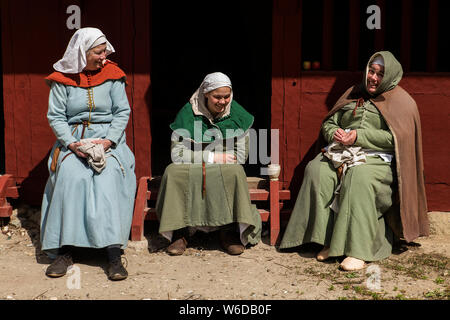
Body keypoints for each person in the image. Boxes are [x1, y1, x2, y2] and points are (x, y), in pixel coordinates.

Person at [280, 51, 429, 271]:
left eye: (380, 74)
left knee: (358, 177)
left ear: (390, 77)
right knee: (316, 170)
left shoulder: (402, 102)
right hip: (342, 152)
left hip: (377, 160)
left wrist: (359, 136)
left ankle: (357, 250)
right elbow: (329, 123)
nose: (374, 78)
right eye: (371, 71)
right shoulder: (352, 93)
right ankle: (327, 240)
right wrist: (336, 134)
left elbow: (398, 138)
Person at [40, 27, 136, 281]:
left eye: (105, 51)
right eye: (98, 52)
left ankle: (113, 252)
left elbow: (122, 112)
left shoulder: (113, 76)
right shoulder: (63, 79)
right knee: (72, 176)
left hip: (109, 140)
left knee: (108, 176)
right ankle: (66, 250)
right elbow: (56, 117)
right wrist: (72, 144)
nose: (104, 57)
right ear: (82, 53)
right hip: (74, 140)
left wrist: (109, 140)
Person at [155, 72, 261, 256]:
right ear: (205, 94)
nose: (223, 101)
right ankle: (181, 231)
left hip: (224, 165)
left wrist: (213, 160)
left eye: (226, 96)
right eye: (217, 97)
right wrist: (212, 158)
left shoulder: (238, 115)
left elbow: (240, 156)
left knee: (234, 172)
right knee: (172, 172)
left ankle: (228, 229)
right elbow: (177, 154)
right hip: (195, 164)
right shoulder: (188, 113)